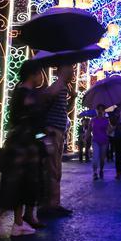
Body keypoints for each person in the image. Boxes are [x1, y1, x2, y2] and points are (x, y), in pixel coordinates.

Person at [0, 60, 59, 236]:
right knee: (15, 182)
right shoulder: (26, 94)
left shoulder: (23, 92)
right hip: (23, 145)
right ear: (32, 74)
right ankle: (0, 216)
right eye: (39, 73)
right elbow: (32, 121)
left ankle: (18, 223)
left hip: (24, 143)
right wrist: (44, 136)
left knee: (22, 184)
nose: (41, 77)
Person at [39, 64, 75, 218]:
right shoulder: (57, 85)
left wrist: (72, 98)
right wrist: (61, 80)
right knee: (52, 169)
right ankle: (49, 205)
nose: (73, 73)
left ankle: (54, 203)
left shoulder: (63, 88)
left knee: (56, 169)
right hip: (53, 132)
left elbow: (63, 110)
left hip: (59, 132)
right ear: (62, 71)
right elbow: (45, 97)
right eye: (70, 70)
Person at [90, 104, 110, 180]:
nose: (100, 111)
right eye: (99, 109)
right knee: (95, 157)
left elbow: (110, 129)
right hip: (95, 141)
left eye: (102, 109)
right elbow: (89, 130)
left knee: (102, 158)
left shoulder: (106, 120)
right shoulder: (93, 120)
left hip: (104, 141)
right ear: (96, 110)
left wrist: (114, 127)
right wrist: (86, 137)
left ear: (104, 111)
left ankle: (101, 170)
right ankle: (95, 172)